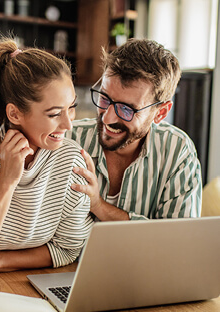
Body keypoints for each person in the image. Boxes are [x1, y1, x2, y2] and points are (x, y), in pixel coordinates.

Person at [0, 38, 93, 277]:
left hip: (36, 288)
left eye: (71, 107)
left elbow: (68, 249)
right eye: (55, 113)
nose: (68, 123)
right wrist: (6, 181)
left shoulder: (70, 163)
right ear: (14, 113)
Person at [67, 38, 202, 221]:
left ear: (160, 113)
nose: (107, 118)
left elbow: (175, 240)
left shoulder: (177, 152)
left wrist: (99, 206)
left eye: (126, 109)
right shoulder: (67, 137)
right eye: (104, 98)